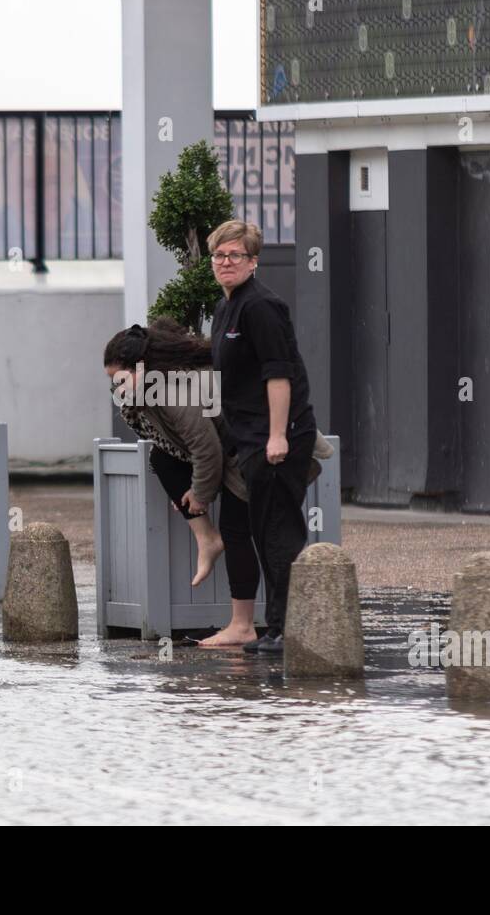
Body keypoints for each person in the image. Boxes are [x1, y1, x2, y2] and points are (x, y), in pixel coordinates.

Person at [104, 318, 260, 646]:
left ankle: (244, 626)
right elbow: (182, 447)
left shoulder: (173, 391)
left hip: (251, 452)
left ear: (142, 367)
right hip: (234, 450)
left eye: (120, 378)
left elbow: (208, 450)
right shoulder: (152, 388)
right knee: (161, 459)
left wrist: (200, 494)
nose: (116, 388)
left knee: (237, 531)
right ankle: (208, 540)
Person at [208, 219, 318, 654]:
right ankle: (274, 627)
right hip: (249, 438)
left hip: (277, 438)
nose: (226, 262)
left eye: (236, 255)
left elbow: (278, 373)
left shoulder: (261, 307)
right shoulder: (226, 308)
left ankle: (286, 629)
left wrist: (278, 436)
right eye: (219, 255)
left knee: (279, 533)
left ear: (253, 262)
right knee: (262, 531)